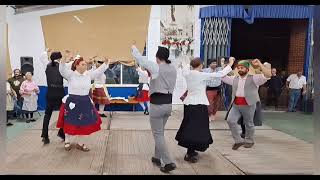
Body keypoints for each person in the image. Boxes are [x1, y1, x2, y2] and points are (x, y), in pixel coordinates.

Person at [175, 57, 234, 163]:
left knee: (190, 127)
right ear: (201, 65)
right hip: (199, 105)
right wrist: (230, 63)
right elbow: (220, 74)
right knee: (196, 129)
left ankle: (191, 150)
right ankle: (189, 153)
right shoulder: (201, 75)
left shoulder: (187, 73)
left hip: (189, 104)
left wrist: (186, 62)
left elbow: (184, 68)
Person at [131, 44, 177, 173]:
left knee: (158, 134)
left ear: (157, 57)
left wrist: (134, 48)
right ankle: (157, 157)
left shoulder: (156, 67)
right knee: (160, 132)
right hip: (168, 105)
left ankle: (168, 162)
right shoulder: (173, 68)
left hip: (157, 105)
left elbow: (141, 60)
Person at [56, 55, 109, 152]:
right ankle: (67, 141)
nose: (85, 66)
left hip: (85, 103)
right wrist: (64, 58)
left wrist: (105, 63)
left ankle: (80, 143)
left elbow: (98, 71)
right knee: (69, 122)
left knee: (84, 124)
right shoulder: (70, 75)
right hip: (72, 103)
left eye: (85, 64)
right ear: (76, 65)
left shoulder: (89, 74)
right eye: (83, 64)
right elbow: (62, 69)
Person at [222, 59, 271, 150]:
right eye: (238, 68)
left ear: (247, 69)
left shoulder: (254, 78)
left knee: (248, 123)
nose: (240, 69)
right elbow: (222, 76)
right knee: (230, 120)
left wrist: (260, 64)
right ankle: (238, 140)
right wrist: (230, 64)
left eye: (242, 68)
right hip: (236, 104)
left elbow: (268, 75)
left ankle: (249, 141)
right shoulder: (234, 78)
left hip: (249, 104)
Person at [40, 51, 68, 144]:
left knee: (47, 115)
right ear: (60, 58)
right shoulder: (62, 66)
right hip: (60, 93)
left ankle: (45, 136)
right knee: (64, 115)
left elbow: (42, 58)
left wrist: (45, 51)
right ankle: (62, 133)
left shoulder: (47, 65)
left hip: (50, 93)